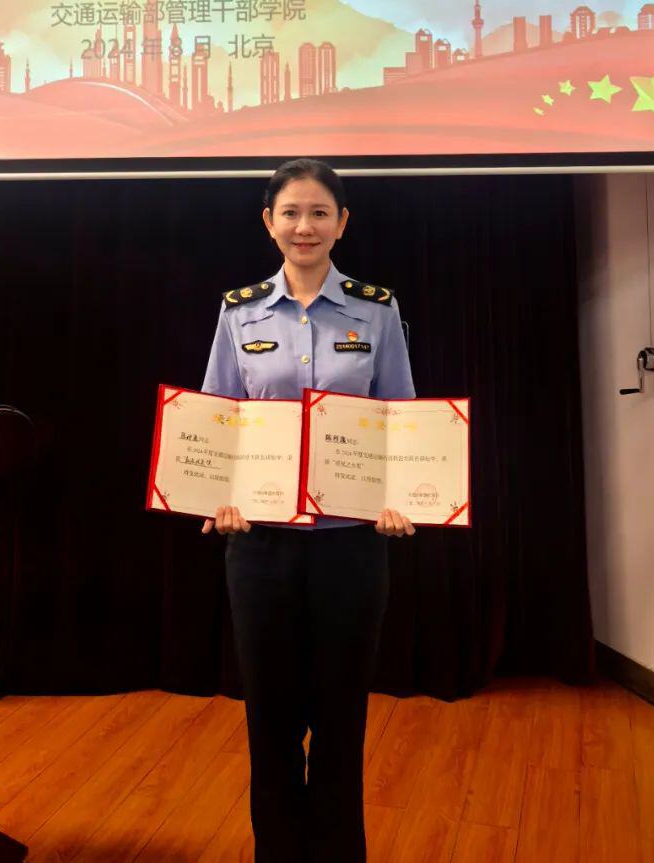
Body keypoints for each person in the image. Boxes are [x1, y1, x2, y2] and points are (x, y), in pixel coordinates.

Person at [201, 157, 415, 863]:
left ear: (341, 223)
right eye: (290, 212)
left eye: (319, 212)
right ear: (269, 222)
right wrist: (215, 496)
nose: (304, 226)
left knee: (340, 719)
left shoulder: (377, 310)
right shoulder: (238, 311)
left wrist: (400, 497)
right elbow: (217, 417)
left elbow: (401, 417)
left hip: (351, 545)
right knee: (269, 719)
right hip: (259, 546)